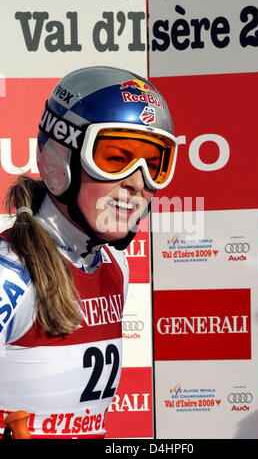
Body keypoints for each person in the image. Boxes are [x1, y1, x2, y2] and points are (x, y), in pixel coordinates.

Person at [0, 66, 178, 439]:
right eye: (116, 158)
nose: (136, 182)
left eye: (155, 164)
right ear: (59, 159)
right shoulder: (10, 275)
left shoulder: (115, 266)